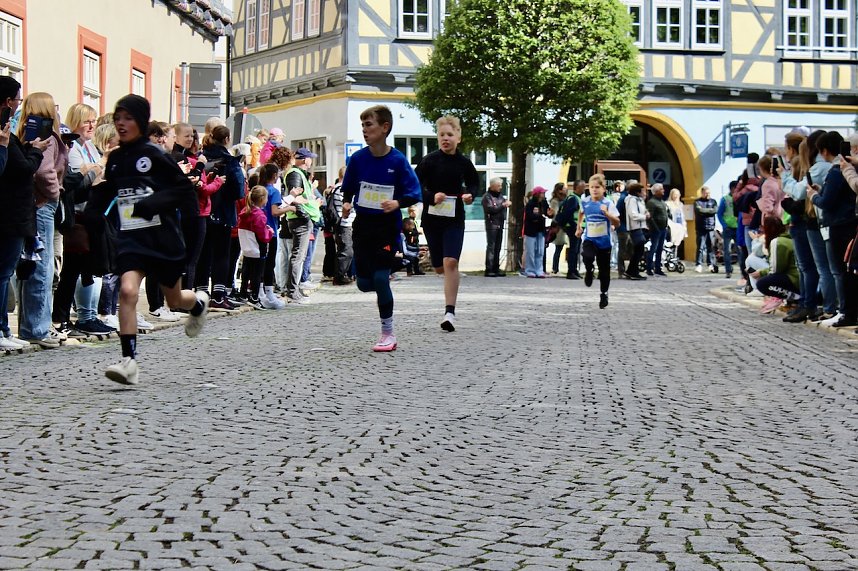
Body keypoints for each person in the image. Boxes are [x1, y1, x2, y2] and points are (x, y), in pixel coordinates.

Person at [83, 95, 209, 385]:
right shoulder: (115, 158)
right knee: (127, 291)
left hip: (162, 238)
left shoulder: (155, 155)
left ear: (140, 121)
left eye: (127, 118)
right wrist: (93, 209)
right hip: (132, 239)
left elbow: (183, 191)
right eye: (118, 118)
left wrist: (154, 205)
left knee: (174, 299)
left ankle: (198, 304)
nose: (121, 124)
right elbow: (107, 190)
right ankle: (128, 362)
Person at [341, 105, 422, 351]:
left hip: (386, 226)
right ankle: (380, 283)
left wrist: (397, 202)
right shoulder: (358, 159)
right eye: (363, 126)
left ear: (384, 128)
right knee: (364, 283)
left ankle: (388, 332)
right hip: (363, 225)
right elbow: (349, 187)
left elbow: (414, 193)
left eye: (369, 125)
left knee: (380, 277)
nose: (365, 130)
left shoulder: (397, 161)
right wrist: (346, 202)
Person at [52, 103, 115, 336]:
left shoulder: (88, 146)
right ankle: (62, 319)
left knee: (84, 270)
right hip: (76, 214)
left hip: (90, 212)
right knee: (70, 271)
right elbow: (79, 182)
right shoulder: (73, 149)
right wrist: (98, 167)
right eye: (87, 121)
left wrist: (98, 170)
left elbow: (97, 175)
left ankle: (82, 317)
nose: (91, 125)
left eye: (93, 120)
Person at [14, 92, 68, 348]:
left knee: (29, 265)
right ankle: (37, 327)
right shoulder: (45, 136)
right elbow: (44, 171)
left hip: (31, 204)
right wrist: (56, 192)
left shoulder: (22, 132)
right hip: (43, 204)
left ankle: (31, 325)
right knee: (42, 268)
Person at [415, 115, 478, 331]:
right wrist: (431, 196)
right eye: (442, 135)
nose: (445, 139)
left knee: (451, 262)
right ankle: (443, 274)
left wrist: (470, 194)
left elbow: (473, 184)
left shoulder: (464, 163)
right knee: (440, 267)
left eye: (450, 135)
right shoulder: (429, 160)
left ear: (458, 137)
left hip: (454, 219)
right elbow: (417, 185)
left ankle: (449, 312)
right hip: (432, 219)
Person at [0, 77, 50, 350]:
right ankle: (1, 329)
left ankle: (4, 329)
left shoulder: (9, 134)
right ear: (8, 102)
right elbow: (19, 169)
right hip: (10, 215)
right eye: (17, 100)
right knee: (4, 273)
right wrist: (35, 151)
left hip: (14, 214)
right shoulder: (4, 134)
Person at [807, 131, 857, 328]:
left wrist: (813, 196)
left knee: (839, 271)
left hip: (838, 225)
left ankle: (845, 311)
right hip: (849, 222)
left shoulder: (838, 171)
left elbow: (827, 202)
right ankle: (845, 310)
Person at [196, 124, 246, 310]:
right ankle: (218, 294)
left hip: (203, 211)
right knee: (222, 255)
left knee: (203, 254)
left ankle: (201, 293)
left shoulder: (201, 157)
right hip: (223, 211)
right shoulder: (230, 161)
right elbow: (239, 191)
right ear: (227, 139)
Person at [283, 148, 322, 304]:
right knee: (298, 257)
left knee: (299, 256)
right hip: (300, 220)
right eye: (310, 158)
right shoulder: (295, 174)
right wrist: (305, 215)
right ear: (306, 160)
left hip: (302, 219)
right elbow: (295, 197)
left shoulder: (298, 174)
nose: (311, 161)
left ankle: (294, 289)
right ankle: (292, 292)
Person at [576, 174, 620, 308]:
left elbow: (617, 222)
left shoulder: (608, 203)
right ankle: (589, 271)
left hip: (604, 241)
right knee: (586, 256)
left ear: (603, 189)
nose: (594, 190)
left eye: (597, 187)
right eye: (592, 187)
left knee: (604, 270)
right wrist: (579, 227)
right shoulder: (585, 201)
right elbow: (581, 213)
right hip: (590, 238)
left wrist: (607, 214)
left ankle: (604, 294)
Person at [752, 216, 800, 314]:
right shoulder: (788, 239)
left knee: (762, 283)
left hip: (794, 279)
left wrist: (761, 273)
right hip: (798, 277)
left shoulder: (777, 242)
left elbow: (776, 269)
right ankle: (791, 300)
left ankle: (796, 298)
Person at [237, 185, 274, 309]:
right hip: (258, 248)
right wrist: (270, 232)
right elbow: (263, 235)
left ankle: (243, 293)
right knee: (257, 274)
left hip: (247, 247)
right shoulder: (259, 215)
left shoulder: (245, 212)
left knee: (246, 271)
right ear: (263, 199)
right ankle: (254, 297)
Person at [330, 165, 357, 285]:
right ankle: (340, 276)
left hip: (346, 223)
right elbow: (347, 207)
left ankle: (343, 274)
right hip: (344, 223)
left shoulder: (338, 188)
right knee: (346, 250)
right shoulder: (341, 189)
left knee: (346, 249)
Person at [481, 177, 510, 277]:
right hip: (491, 224)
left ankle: (496, 268)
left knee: (498, 247)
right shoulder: (487, 197)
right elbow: (491, 209)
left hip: (500, 223)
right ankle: (489, 269)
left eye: (501, 186)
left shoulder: (500, 196)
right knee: (491, 247)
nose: (500, 188)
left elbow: (503, 203)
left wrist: (505, 204)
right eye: (498, 186)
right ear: (492, 186)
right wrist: (503, 205)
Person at [523, 186, 550, 278]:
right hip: (531, 231)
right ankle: (530, 270)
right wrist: (539, 217)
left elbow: (547, 212)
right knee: (530, 251)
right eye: (542, 193)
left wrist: (550, 214)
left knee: (540, 251)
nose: (544, 194)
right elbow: (529, 216)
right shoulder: (530, 204)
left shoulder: (544, 203)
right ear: (537, 194)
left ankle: (539, 270)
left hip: (540, 230)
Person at [623, 182, 647, 280]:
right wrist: (645, 217)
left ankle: (631, 271)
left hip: (640, 227)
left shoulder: (639, 200)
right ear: (637, 192)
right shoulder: (631, 200)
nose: (644, 192)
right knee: (638, 250)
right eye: (642, 191)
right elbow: (633, 215)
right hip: (635, 228)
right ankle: (632, 271)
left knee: (639, 250)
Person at [646, 183, 669, 276]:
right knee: (653, 248)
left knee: (660, 249)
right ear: (656, 192)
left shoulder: (662, 202)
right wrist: (655, 228)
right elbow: (650, 217)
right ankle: (649, 268)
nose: (663, 191)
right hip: (656, 229)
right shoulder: (652, 202)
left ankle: (658, 268)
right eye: (661, 189)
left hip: (663, 228)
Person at [717, 181, 739, 279]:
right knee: (727, 250)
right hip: (728, 228)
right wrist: (724, 225)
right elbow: (719, 214)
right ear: (731, 189)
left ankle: (743, 270)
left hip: (738, 227)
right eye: (736, 188)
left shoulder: (739, 198)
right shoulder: (725, 199)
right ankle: (728, 270)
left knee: (740, 250)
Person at [694, 186, 718, 273]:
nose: (707, 194)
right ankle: (698, 264)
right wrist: (709, 211)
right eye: (706, 193)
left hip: (711, 227)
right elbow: (699, 211)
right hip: (701, 227)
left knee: (710, 247)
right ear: (702, 193)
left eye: (709, 193)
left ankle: (710, 264)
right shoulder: (697, 202)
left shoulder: (713, 201)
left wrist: (705, 211)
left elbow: (715, 210)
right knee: (700, 247)